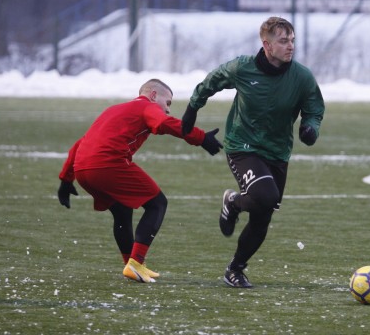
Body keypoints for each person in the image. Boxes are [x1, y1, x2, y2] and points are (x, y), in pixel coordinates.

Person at [181, 16, 325, 288]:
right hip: (242, 146)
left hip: (278, 152)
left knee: (263, 216)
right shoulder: (243, 68)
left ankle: (235, 269)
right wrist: (192, 108)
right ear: (267, 45)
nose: (290, 46)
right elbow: (212, 80)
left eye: (292, 40)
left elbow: (314, 109)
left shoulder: (302, 77)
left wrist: (310, 128)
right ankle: (234, 202)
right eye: (283, 41)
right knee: (266, 195)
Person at [57, 78, 223, 283]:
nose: (168, 109)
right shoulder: (147, 106)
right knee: (158, 203)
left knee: (122, 211)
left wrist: (66, 180)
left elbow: (80, 143)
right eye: (167, 103)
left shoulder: (114, 109)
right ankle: (136, 263)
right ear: (153, 95)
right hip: (107, 164)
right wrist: (201, 138)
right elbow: (164, 123)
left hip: (82, 168)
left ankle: (132, 265)